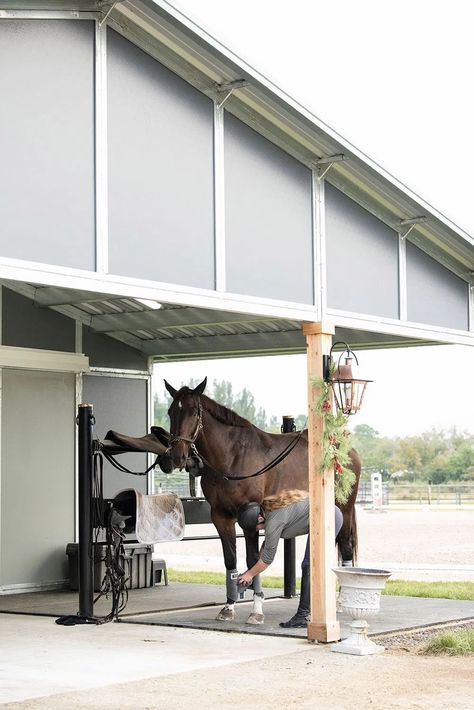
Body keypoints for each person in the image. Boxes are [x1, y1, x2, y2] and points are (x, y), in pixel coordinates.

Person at [237, 490, 343, 628]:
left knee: (309, 566)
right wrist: (251, 571)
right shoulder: (271, 510)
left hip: (327, 518)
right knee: (310, 566)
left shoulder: (273, 521)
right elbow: (268, 544)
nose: (258, 531)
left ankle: (302, 616)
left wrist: (249, 574)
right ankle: (311, 611)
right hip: (329, 514)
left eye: (256, 528)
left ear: (259, 519)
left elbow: (268, 559)